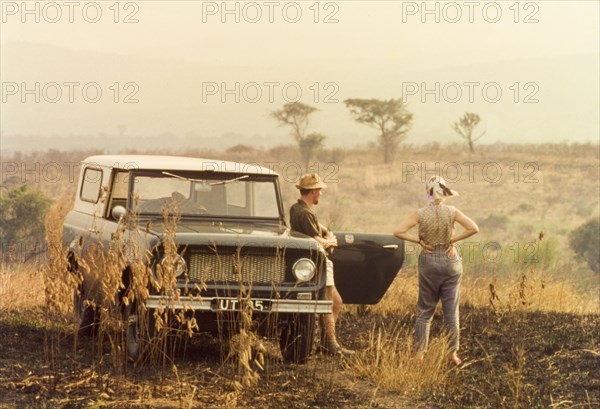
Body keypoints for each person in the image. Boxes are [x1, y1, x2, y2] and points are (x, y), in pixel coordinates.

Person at [393, 176, 478, 365]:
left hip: (429, 259)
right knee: (451, 311)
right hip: (450, 260)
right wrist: (453, 242)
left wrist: (419, 241)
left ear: (428, 193)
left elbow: (398, 231)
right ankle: (452, 355)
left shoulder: (420, 213)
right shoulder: (453, 211)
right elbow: (474, 228)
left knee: (424, 310)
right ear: (445, 192)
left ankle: (419, 356)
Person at [289, 173, 355, 356]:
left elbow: (319, 227)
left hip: (313, 261)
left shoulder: (299, 209)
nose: (320, 194)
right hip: (317, 261)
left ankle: (328, 342)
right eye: (318, 190)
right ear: (312, 192)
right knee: (329, 301)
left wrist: (329, 234)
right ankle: (330, 344)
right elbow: (316, 239)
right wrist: (330, 242)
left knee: (335, 302)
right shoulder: (303, 212)